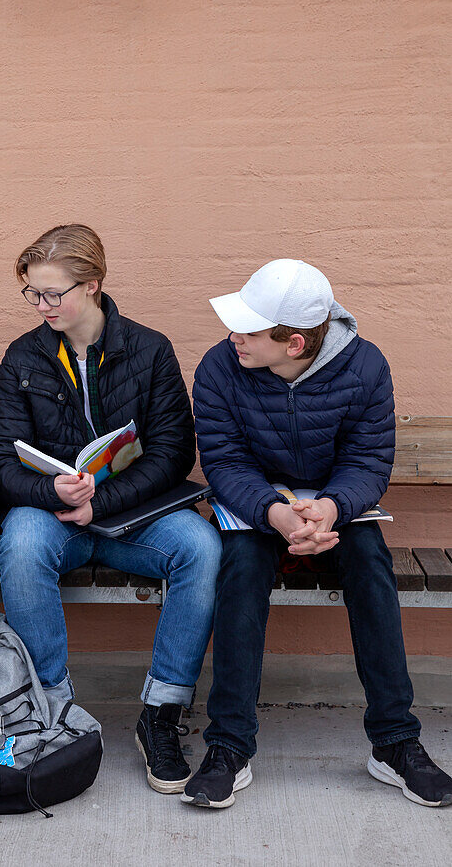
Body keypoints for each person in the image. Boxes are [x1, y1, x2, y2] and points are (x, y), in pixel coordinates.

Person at [187, 258, 452, 809]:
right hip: (258, 508)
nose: (233, 336)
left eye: (249, 329)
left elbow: (369, 460)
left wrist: (330, 508)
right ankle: (229, 747)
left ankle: (395, 743)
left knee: (373, 569)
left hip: (337, 508)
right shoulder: (219, 366)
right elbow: (224, 459)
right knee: (238, 571)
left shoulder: (366, 367)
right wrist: (276, 513)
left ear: (295, 342)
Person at [0, 224, 222, 795]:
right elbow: (3, 455)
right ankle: (51, 707)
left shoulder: (150, 349)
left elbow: (172, 452)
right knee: (19, 544)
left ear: (92, 284)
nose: (40, 306)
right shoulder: (24, 356)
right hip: (50, 516)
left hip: (130, 514)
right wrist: (53, 494)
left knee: (200, 546)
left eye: (52, 294)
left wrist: (105, 502)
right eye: (32, 294)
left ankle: (162, 712)